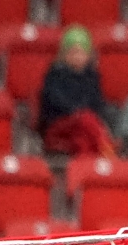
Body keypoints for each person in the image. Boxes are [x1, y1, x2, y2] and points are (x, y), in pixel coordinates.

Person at [37, 26, 117, 157]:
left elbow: (96, 103)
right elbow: (55, 101)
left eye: (81, 53)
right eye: (72, 52)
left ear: (88, 55)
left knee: (82, 140)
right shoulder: (54, 75)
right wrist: (77, 113)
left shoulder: (92, 77)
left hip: (85, 125)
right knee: (86, 119)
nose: (77, 57)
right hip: (58, 124)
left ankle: (89, 169)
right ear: (63, 54)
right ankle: (109, 152)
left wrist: (84, 114)